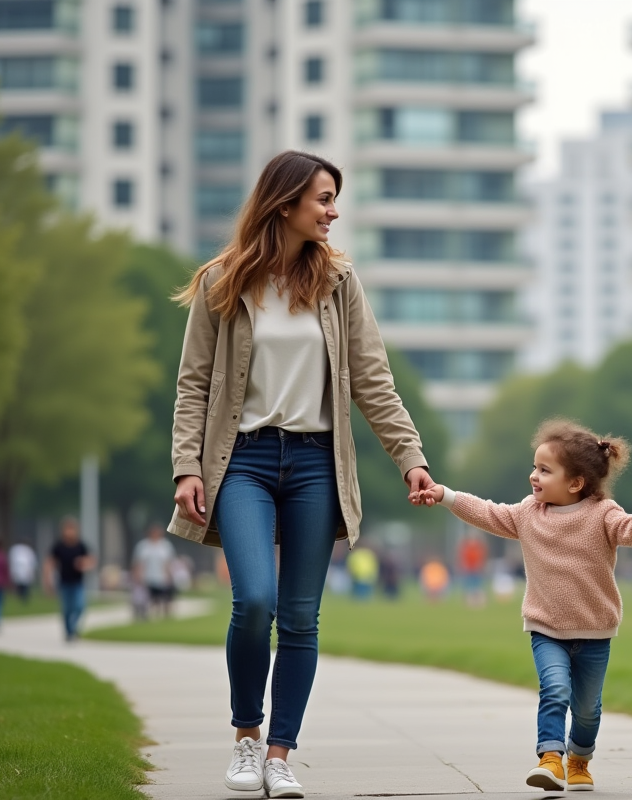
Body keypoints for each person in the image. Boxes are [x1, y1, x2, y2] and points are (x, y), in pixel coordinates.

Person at [168, 150, 434, 799]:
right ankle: (246, 736)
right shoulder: (222, 282)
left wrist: (411, 457)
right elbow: (193, 386)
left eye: (334, 199)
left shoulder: (339, 282)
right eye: (323, 198)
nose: (333, 212)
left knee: (300, 616)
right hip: (243, 461)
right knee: (254, 599)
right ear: (285, 202)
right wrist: (186, 468)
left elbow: (373, 380)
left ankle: (280, 753)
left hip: (317, 463)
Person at [412, 418, 632, 792]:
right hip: (546, 627)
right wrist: (445, 495)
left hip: (594, 631)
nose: (534, 476)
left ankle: (579, 759)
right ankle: (550, 758)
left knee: (587, 709)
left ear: (575, 483)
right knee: (554, 690)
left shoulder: (603, 513)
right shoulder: (528, 513)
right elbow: (487, 512)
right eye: (535, 467)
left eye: (545, 470)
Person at [45, 517, 96, 641]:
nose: (69, 532)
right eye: (67, 529)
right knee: (67, 609)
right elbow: (50, 563)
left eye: (72, 529)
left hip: (78, 582)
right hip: (64, 582)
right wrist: (48, 580)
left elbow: (91, 561)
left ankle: (73, 628)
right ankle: (69, 632)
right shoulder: (59, 546)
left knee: (79, 606)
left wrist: (83, 564)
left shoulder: (81, 545)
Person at [133, 523, 178, 618]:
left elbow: (168, 562)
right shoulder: (143, 546)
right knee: (147, 598)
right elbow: (139, 563)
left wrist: (170, 576)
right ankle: (146, 614)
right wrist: (137, 576)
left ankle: (163, 614)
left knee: (163, 598)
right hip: (147, 577)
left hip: (162, 577)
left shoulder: (165, 546)